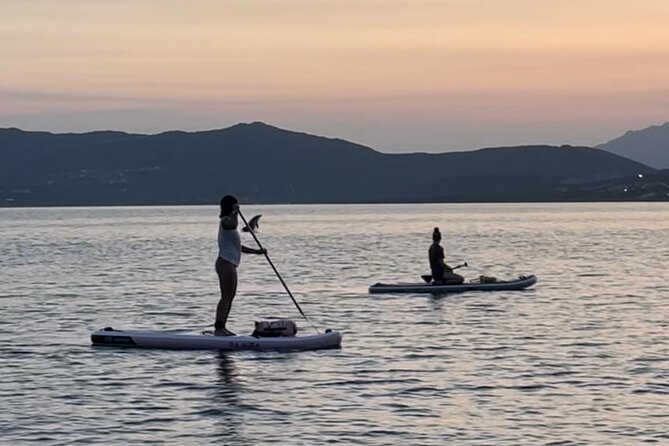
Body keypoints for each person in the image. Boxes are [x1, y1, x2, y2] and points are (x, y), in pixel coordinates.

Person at [215, 195, 266, 336]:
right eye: (235, 205)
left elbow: (238, 247)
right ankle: (218, 328)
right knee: (226, 296)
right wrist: (235, 212)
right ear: (230, 206)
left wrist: (258, 252)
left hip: (231, 264)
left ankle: (223, 327)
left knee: (230, 296)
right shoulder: (226, 221)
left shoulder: (231, 223)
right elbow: (233, 224)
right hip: (225, 263)